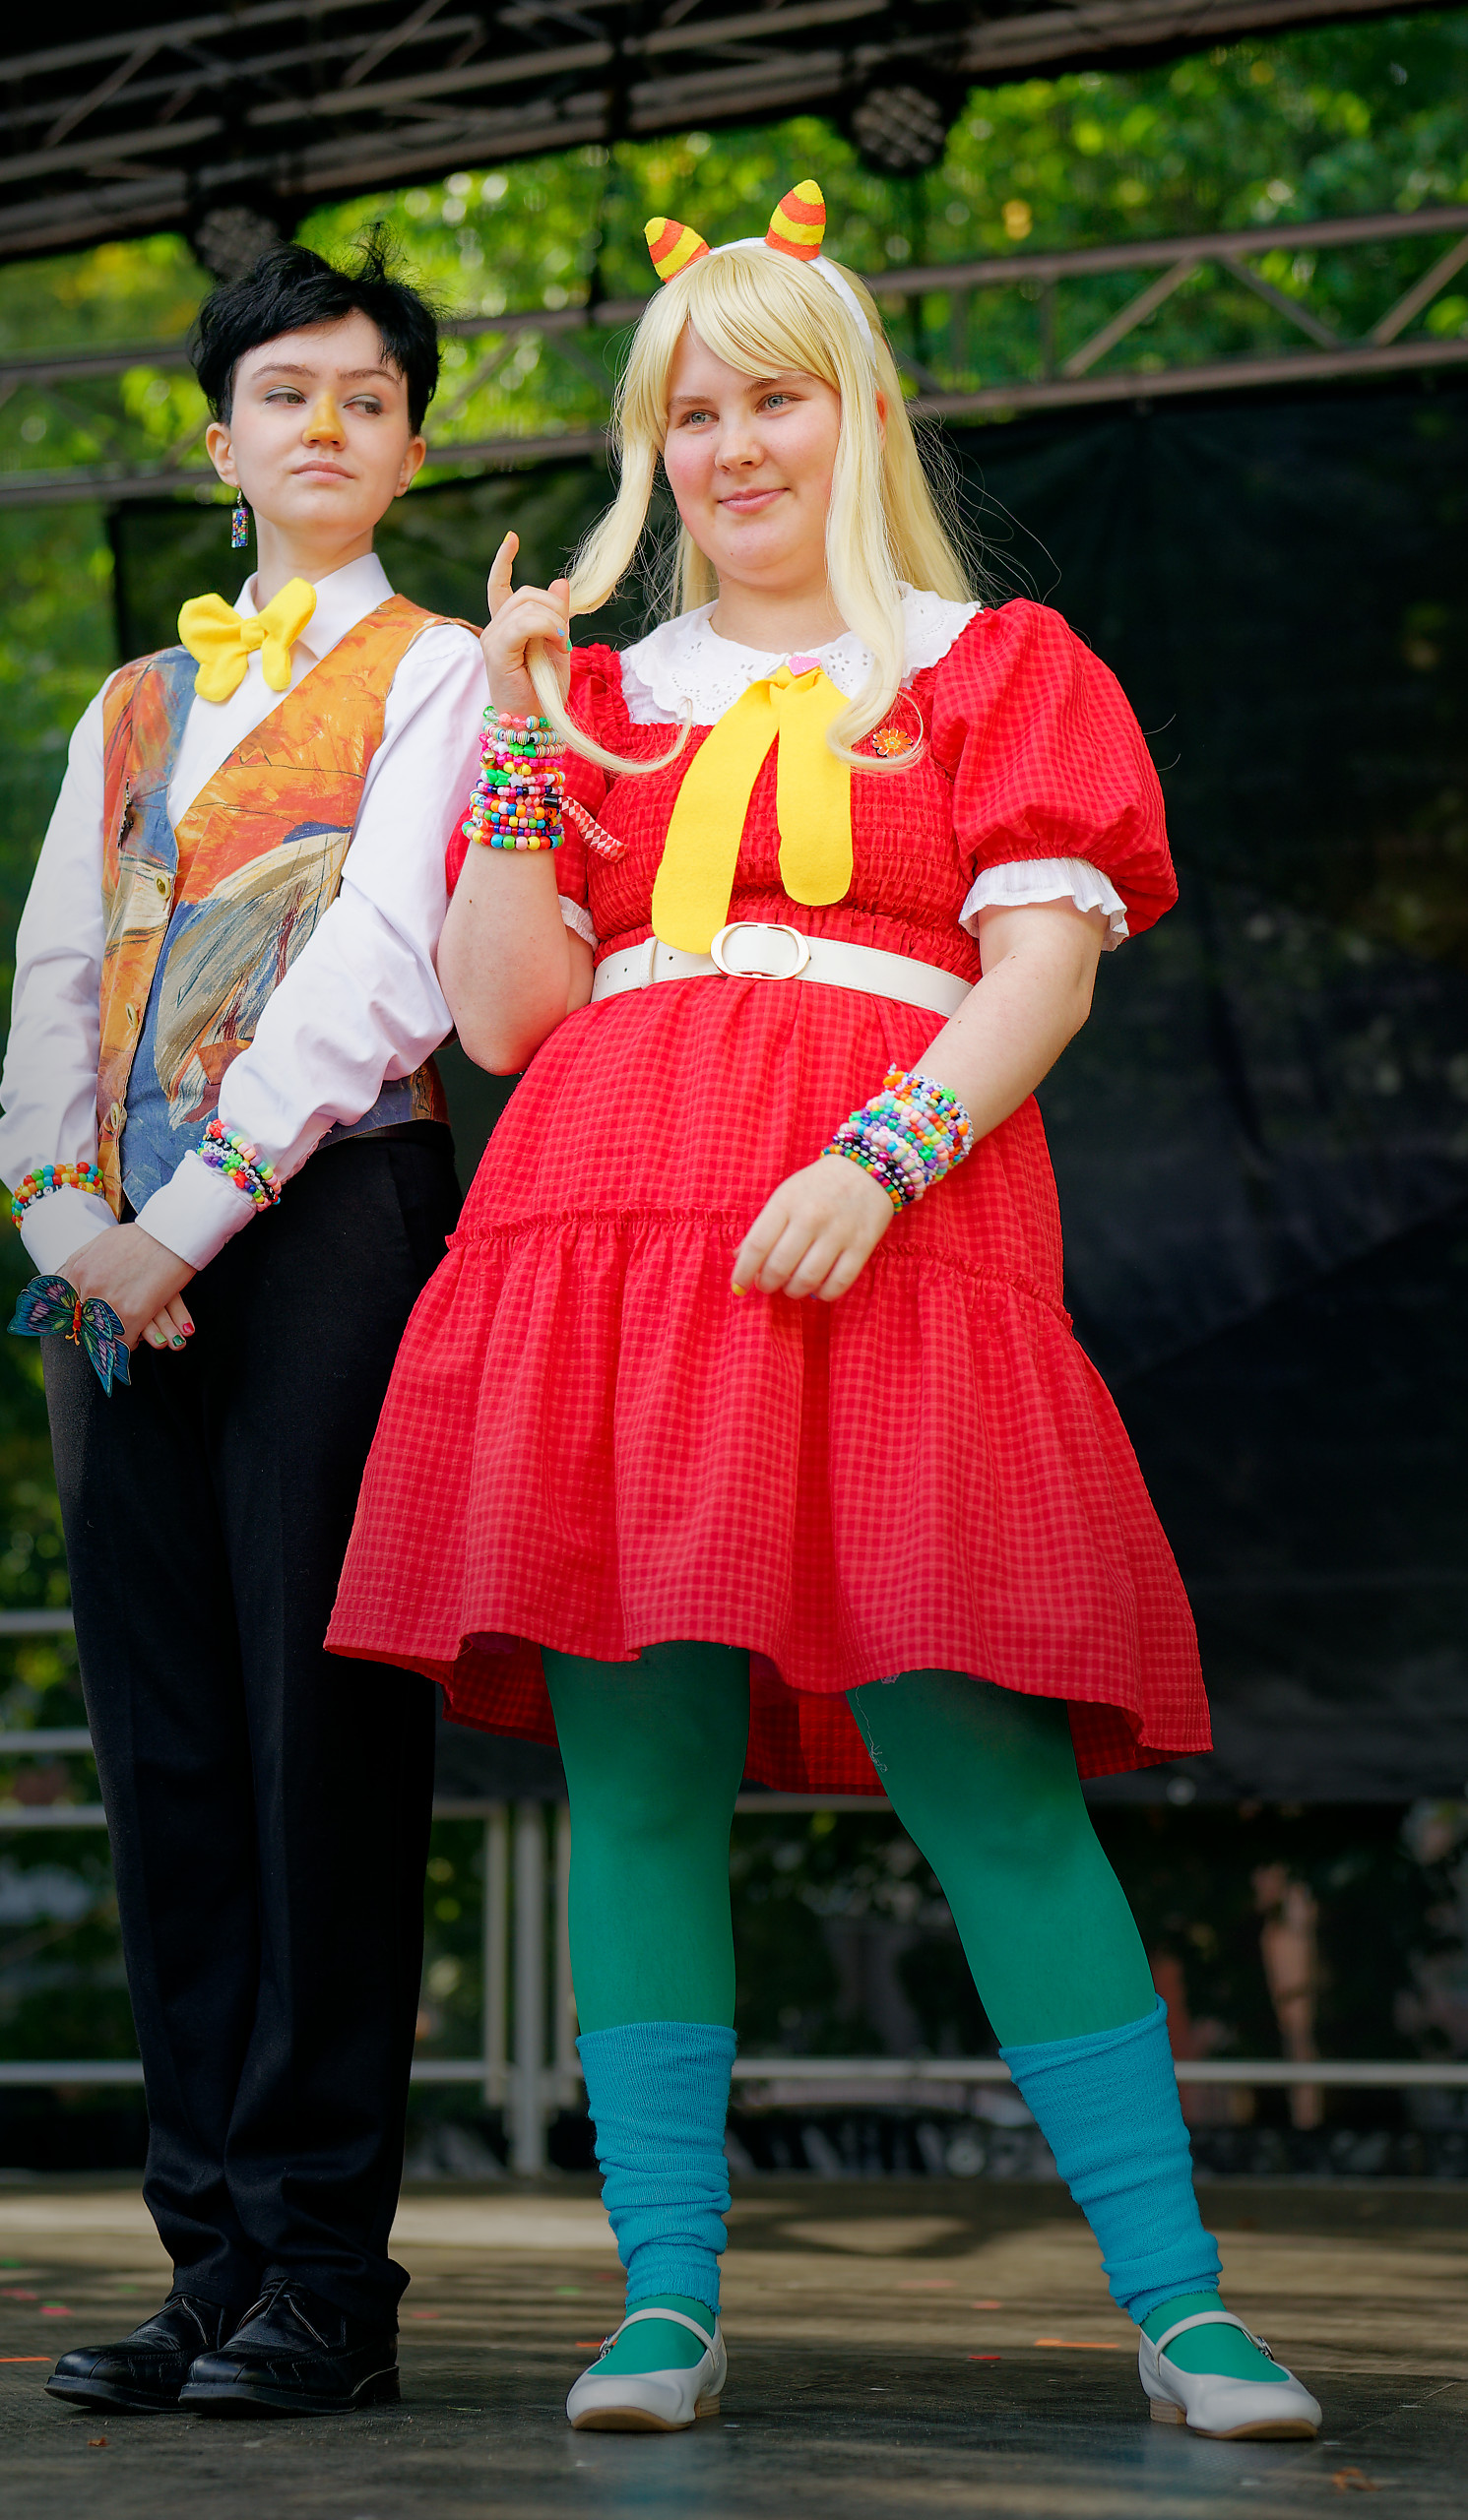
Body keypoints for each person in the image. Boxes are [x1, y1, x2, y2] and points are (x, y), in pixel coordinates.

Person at [325, 184, 1323, 2444]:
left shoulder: (997, 667)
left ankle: (1179, 2305)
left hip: (887, 1239)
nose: (731, 446)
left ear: (855, 410)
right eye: (689, 414)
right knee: (636, 1776)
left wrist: (877, 1155)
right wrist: (515, 734)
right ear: (651, 449)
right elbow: (502, 1017)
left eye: (771, 398)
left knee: (984, 1769)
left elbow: (1039, 969)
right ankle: (660, 2300)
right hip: (599, 1239)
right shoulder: (592, 697)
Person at [0, 235, 484, 2418]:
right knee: (167, 1752)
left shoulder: (444, 671)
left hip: (326, 1227)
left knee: (318, 1744)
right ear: (220, 442)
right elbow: (48, 976)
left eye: (369, 396)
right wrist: (63, 1209)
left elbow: (386, 967)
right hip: (106, 1262)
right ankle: (206, 2258)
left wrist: (179, 1221)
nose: (326, 424)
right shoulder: (127, 702)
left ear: (409, 449)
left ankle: (324, 2273)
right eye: (287, 391)